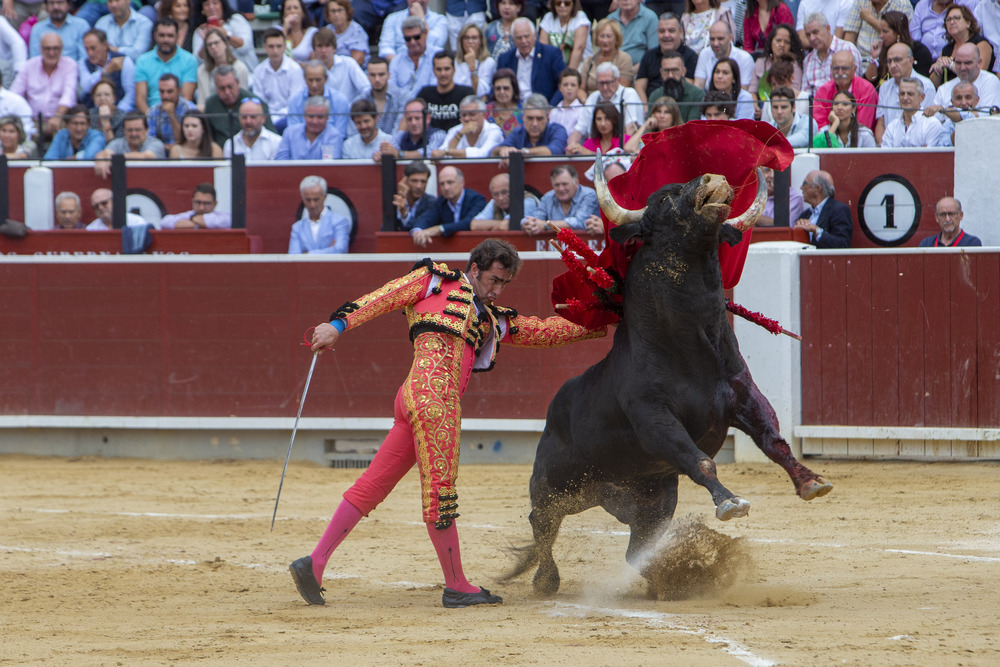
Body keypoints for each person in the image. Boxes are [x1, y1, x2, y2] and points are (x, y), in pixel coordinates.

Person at [288, 237, 604, 609]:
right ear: (474, 269)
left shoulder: (490, 318)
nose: (497, 289)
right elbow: (381, 297)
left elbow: (544, 331)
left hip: (415, 400)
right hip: (435, 401)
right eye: (493, 280)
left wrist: (599, 322)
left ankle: (315, 562)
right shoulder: (434, 280)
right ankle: (456, 584)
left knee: (372, 484)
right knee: (441, 491)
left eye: (504, 283)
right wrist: (338, 325)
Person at [11, 32, 76, 140]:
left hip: (61, 120)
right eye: (47, 49)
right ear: (40, 49)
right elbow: (15, 95)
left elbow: (69, 94)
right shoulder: (28, 66)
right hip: (33, 121)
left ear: (62, 49)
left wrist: (58, 116)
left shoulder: (70, 65)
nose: (51, 53)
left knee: (63, 136)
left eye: (56, 48)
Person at [567, 62, 644, 151]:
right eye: (601, 83)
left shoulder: (629, 94)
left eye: (608, 82)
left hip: (624, 147)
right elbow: (579, 129)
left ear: (617, 80)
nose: (605, 87)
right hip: (595, 146)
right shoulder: (593, 98)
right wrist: (571, 147)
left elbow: (630, 129)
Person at [874, 43, 936, 144]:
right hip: (889, 145)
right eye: (889, 61)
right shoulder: (885, 87)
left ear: (911, 61)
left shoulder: (926, 86)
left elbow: (928, 121)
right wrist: (883, 150)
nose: (893, 65)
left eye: (897, 60)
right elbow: (881, 123)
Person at [410, 165, 487, 246]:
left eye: (450, 182)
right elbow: (427, 218)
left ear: (462, 182)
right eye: (442, 184)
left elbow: (469, 223)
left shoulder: (477, 199)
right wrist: (417, 231)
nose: (446, 187)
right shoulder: (441, 201)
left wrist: (439, 229)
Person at [134, 18, 198, 113]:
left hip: (179, 115)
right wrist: (152, 119)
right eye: (162, 35)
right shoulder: (142, 61)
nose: (166, 40)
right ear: (155, 36)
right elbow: (140, 99)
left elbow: (186, 98)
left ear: (177, 36)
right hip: (150, 114)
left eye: (170, 36)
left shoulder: (189, 60)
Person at [205, 65, 277, 147]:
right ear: (216, 88)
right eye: (222, 88)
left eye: (230, 87)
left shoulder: (255, 103)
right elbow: (208, 138)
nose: (227, 92)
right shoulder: (211, 104)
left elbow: (271, 136)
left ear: (238, 83)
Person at [635, 12, 699, 102]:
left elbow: (689, 89)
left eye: (671, 31)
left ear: (680, 32)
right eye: (662, 31)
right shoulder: (649, 56)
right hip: (652, 107)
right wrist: (646, 108)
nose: (666, 35)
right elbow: (639, 86)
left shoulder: (691, 57)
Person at [496, 17, 564, 101]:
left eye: (526, 36)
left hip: (542, 107)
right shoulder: (505, 59)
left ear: (535, 35)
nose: (523, 41)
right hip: (513, 108)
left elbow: (562, 84)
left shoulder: (551, 54)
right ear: (513, 39)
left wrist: (550, 107)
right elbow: (497, 86)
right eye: (519, 38)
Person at [251, 27, 305, 131]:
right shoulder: (259, 71)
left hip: (289, 119)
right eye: (271, 46)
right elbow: (260, 103)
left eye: (279, 46)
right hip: (265, 119)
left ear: (285, 47)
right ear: (264, 47)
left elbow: (294, 104)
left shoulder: (295, 69)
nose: (275, 51)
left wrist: (274, 119)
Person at [522, 164, 600, 236]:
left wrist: (546, 225)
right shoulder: (548, 197)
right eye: (557, 185)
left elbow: (580, 222)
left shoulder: (589, 194)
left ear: (576, 182)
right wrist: (530, 224)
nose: (561, 189)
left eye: (565, 184)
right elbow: (536, 219)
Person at [811, 49, 878, 130]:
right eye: (836, 68)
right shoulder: (823, 91)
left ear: (854, 69)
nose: (840, 73)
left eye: (844, 68)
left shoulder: (866, 89)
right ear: (831, 69)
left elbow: (862, 126)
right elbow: (819, 126)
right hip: (831, 139)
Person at [931, 4, 995, 87]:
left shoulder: (981, 43)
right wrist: (938, 69)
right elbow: (932, 85)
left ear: (968, 23)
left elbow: (978, 74)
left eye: (956, 18)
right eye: (948, 19)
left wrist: (950, 65)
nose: (952, 22)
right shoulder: (946, 49)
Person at [862, 10, 933, 86]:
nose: (881, 35)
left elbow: (922, 82)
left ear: (898, 32)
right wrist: (874, 57)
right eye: (880, 31)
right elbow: (870, 81)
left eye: (885, 31)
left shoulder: (919, 51)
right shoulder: (883, 48)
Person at [801, 12, 863, 95]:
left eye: (815, 32)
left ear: (828, 28)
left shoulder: (848, 49)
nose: (811, 38)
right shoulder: (808, 60)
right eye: (808, 35)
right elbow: (805, 95)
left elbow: (857, 87)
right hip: (817, 106)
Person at [288, 175, 351, 253]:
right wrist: (329, 251)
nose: (312, 205)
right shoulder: (297, 228)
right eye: (308, 200)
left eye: (316, 199)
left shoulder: (340, 222)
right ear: (302, 198)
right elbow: (293, 257)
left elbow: (339, 250)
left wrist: (306, 254)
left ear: (324, 197)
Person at [93, 110, 166, 178]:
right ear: (124, 131)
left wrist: (115, 159)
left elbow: (146, 156)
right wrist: (100, 160)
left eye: (138, 130)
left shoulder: (156, 144)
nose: (134, 134)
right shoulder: (118, 143)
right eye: (129, 130)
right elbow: (105, 153)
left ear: (146, 130)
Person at [492, 93, 567, 158]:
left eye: (539, 119)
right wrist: (504, 150)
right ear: (523, 117)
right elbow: (493, 152)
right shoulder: (517, 133)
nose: (535, 124)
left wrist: (523, 152)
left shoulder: (558, 130)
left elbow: (554, 151)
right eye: (530, 118)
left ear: (547, 117)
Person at [928, 42, 1000, 111]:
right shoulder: (943, 89)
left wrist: (945, 111)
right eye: (958, 63)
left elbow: (984, 116)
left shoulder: (990, 81)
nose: (962, 68)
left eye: (967, 63)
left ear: (979, 63)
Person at [287, 60, 349, 139]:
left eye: (318, 80)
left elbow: (340, 135)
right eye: (310, 80)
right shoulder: (294, 101)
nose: (314, 85)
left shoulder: (340, 100)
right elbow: (293, 134)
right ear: (304, 79)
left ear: (326, 78)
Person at [882, 77, 952, 147]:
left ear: (922, 97)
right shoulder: (892, 126)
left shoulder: (931, 124)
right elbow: (886, 155)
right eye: (902, 94)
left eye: (910, 94)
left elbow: (928, 155)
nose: (905, 98)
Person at [191, 0, 256, 74]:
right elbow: (198, 61)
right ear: (202, 10)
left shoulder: (236, 20)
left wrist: (226, 35)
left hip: (245, 74)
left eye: (215, 3)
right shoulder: (200, 30)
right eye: (207, 5)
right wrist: (206, 40)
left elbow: (245, 47)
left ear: (222, 5)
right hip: (215, 78)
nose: (211, 7)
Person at [78, 28, 135, 112]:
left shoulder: (124, 60)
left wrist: (118, 112)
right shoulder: (83, 63)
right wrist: (106, 71)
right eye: (87, 49)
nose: (90, 53)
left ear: (105, 45)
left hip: (121, 113)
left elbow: (131, 93)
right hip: (93, 114)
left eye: (93, 48)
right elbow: (86, 87)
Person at [417, 50, 474, 132]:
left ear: (454, 70)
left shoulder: (466, 93)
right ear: (433, 71)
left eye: (447, 69)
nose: (443, 73)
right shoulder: (425, 93)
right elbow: (412, 114)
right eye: (439, 69)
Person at [795, 169, 853, 249]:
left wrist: (817, 231)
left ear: (817, 189)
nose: (801, 187)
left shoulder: (839, 210)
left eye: (805, 184)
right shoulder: (806, 214)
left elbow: (843, 243)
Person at [431, 95, 504, 158]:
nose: (467, 119)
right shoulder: (455, 131)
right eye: (463, 115)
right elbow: (440, 155)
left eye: (472, 114)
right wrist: (460, 134)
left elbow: (483, 154)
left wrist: (447, 152)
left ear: (484, 114)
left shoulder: (494, 130)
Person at [311, 28, 371, 103]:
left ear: (335, 48)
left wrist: (352, 106)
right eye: (320, 46)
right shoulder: (311, 70)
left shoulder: (348, 63)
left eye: (327, 46)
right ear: (314, 50)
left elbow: (366, 88)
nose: (323, 50)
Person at [195, 25, 249, 108]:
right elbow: (201, 102)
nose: (213, 47)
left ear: (225, 44)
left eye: (216, 43)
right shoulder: (202, 70)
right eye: (209, 45)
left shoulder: (240, 68)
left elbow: (243, 99)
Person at [750, 23, 803, 106]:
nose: (782, 45)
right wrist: (755, 107)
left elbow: (795, 92)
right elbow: (752, 91)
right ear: (771, 42)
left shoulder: (795, 66)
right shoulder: (760, 62)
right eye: (778, 40)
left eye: (787, 42)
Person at [692, 20, 754, 91]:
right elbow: (698, 86)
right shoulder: (704, 53)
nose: (715, 43)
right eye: (712, 39)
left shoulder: (745, 58)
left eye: (720, 39)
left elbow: (743, 91)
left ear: (730, 38)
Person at [578, 18, 634, 95]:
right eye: (601, 36)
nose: (605, 40)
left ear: (616, 38)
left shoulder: (624, 59)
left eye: (609, 36)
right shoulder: (589, 60)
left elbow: (623, 89)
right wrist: (586, 101)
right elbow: (581, 88)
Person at [276, 95, 344, 159]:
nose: (315, 121)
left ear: (327, 117)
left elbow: (330, 167)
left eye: (320, 117)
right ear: (304, 115)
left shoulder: (334, 136)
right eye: (311, 116)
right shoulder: (290, 133)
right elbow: (281, 163)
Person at [842, 0, 913, 61]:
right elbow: (849, 38)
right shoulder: (861, 1)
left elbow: (901, 36)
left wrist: (869, 19)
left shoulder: (902, 5)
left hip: (887, 61)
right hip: (859, 61)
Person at [379, 0, 448, 61]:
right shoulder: (392, 19)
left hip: (430, 67)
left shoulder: (440, 20)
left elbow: (434, 45)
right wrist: (400, 65)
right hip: (397, 65)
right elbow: (385, 48)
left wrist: (421, 18)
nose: (418, 0)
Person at [648, 51, 705, 122]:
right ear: (661, 72)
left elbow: (693, 126)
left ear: (683, 71)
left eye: (675, 70)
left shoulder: (697, 95)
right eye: (666, 71)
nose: (670, 75)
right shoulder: (655, 95)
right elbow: (649, 126)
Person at [381, 97, 446, 159]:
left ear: (428, 118)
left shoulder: (438, 134)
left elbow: (429, 153)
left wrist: (399, 154)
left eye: (417, 118)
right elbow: (389, 149)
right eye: (409, 119)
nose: (413, 123)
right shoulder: (401, 135)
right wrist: (380, 154)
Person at [388, 16, 436, 98]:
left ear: (425, 34)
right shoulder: (396, 61)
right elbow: (392, 89)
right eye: (407, 39)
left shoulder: (437, 56)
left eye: (416, 37)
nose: (412, 42)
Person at [147, 73, 198, 149]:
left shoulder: (189, 109)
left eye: (170, 91)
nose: (165, 96)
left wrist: (171, 115)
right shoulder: (153, 111)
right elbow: (150, 141)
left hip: (185, 152)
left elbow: (187, 140)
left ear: (178, 90)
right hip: (161, 153)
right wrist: (168, 147)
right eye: (162, 91)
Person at [471, 172, 538, 230]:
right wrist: (500, 224)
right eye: (496, 194)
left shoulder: (528, 201)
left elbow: (507, 225)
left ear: (514, 189)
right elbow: (474, 225)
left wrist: (490, 226)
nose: (500, 198)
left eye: (504, 192)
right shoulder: (494, 202)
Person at [538, 0, 591, 70]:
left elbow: (579, 49)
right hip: (554, 67)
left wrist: (568, 74)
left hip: (579, 67)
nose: (562, 6)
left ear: (573, 4)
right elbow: (544, 47)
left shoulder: (580, 17)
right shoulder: (548, 18)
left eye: (567, 3)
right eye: (558, 3)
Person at [387, 160, 434, 232]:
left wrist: (404, 212)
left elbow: (418, 228)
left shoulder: (431, 203)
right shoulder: (395, 200)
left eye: (423, 181)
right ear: (405, 180)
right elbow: (386, 229)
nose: (419, 186)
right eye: (414, 181)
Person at [160, 182, 231, 229]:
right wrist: (197, 222)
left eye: (206, 203)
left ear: (215, 204)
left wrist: (193, 220)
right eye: (198, 202)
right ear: (192, 201)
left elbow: (229, 221)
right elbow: (164, 222)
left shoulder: (222, 217)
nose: (201, 207)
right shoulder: (188, 215)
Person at [608, 0, 658, 65]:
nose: (626, 1)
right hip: (613, 68)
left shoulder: (650, 17)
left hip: (641, 69)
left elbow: (653, 53)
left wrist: (634, 70)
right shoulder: (610, 19)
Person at [454, 23, 496, 97]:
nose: (470, 42)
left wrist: (472, 68)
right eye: (466, 38)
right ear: (461, 41)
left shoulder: (489, 62)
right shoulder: (455, 61)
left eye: (474, 38)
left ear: (480, 41)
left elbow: (481, 92)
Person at [325, 0, 369, 68]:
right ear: (328, 14)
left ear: (347, 12)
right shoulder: (326, 31)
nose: (336, 14)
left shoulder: (356, 31)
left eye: (340, 10)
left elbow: (358, 60)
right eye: (333, 11)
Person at [484, 67, 521, 134]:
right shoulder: (486, 111)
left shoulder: (525, 109)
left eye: (506, 88)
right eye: (498, 88)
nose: (502, 92)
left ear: (514, 89)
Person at [548, 67, 583, 135]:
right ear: (560, 87)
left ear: (579, 87)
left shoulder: (582, 111)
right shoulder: (554, 112)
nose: (569, 88)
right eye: (565, 85)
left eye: (573, 85)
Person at [88, 78, 125, 143]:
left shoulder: (122, 117)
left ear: (114, 98)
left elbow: (114, 146)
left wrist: (105, 122)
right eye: (98, 95)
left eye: (107, 94)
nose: (102, 98)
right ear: (93, 98)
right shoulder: (89, 114)